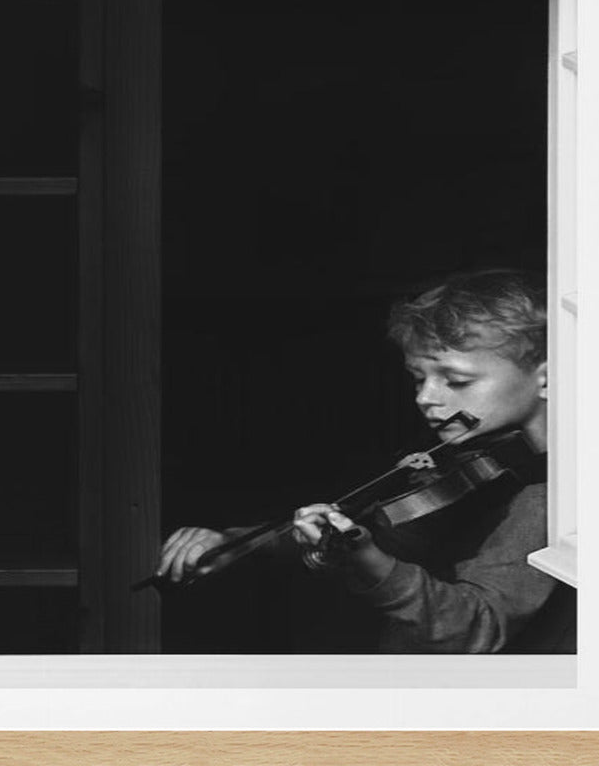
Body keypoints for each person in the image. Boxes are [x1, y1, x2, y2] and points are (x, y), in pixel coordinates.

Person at [154, 269, 576, 654]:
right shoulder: (474, 466)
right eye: (418, 377)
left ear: (546, 376)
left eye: (456, 380)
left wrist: (374, 566)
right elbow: (375, 528)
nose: (425, 397)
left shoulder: (545, 498)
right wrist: (237, 544)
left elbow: (477, 629)